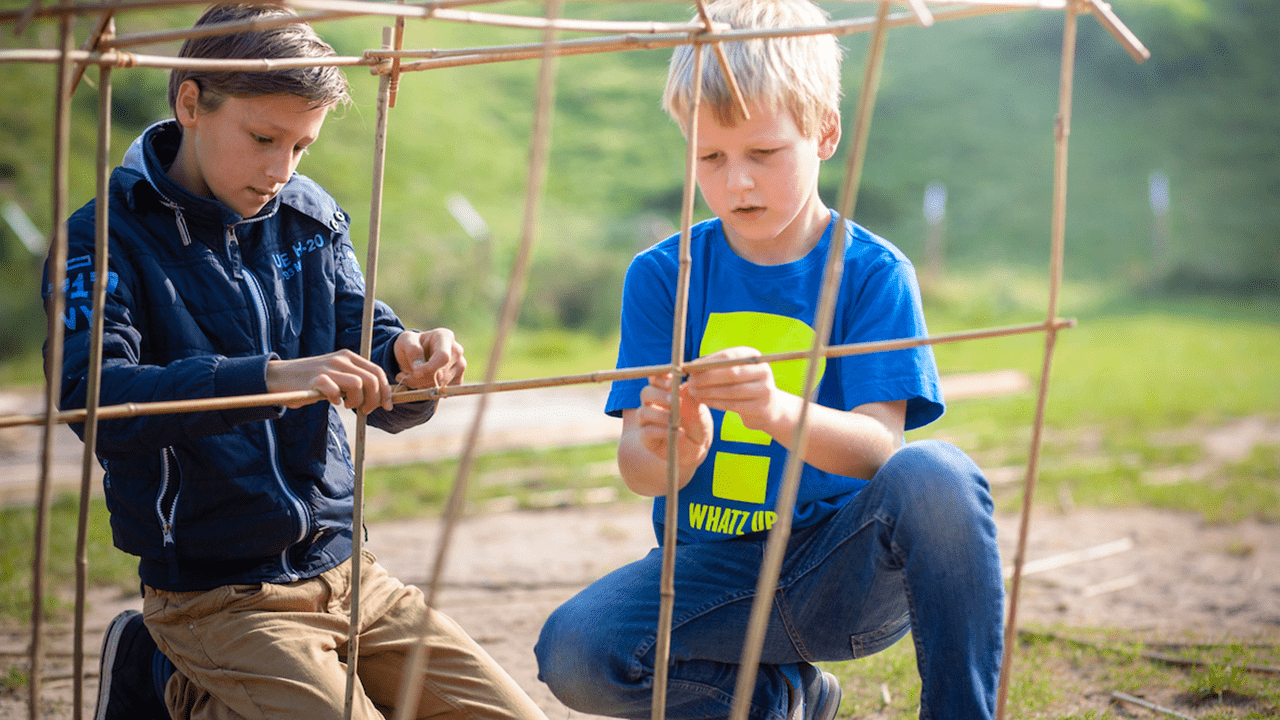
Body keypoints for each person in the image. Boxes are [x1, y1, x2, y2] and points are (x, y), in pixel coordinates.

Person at [44, 5, 549, 720]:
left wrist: (408, 361)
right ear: (191, 102)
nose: (281, 170)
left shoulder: (310, 214)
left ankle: (197, 685)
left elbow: (367, 341)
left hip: (352, 576)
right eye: (263, 138)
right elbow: (91, 398)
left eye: (301, 147)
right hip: (215, 595)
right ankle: (169, 676)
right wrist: (271, 377)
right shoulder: (103, 238)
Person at [533, 1, 1006, 718]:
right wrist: (674, 452)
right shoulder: (664, 275)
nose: (736, 183)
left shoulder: (874, 272)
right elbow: (635, 465)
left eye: (763, 154)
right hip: (711, 573)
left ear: (824, 134)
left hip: (839, 571)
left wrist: (777, 411)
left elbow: (882, 449)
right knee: (576, 651)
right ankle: (776, 697)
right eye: (710, 158)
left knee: (938, 472)